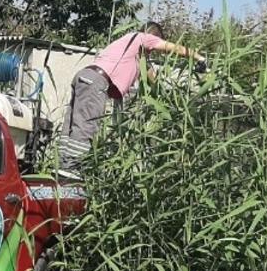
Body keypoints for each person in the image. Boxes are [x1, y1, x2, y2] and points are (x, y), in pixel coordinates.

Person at [57, 22, 205, 174]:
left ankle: (62, 167)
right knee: (86, 125)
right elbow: (176, 48)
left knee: (71, 125)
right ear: (154, 38)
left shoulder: (134, 52)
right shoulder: (143, 37)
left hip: (84, 77)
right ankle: (71, 170)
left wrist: (170, 101)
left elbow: (154, 83)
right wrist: (199, 58)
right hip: (96, 81)